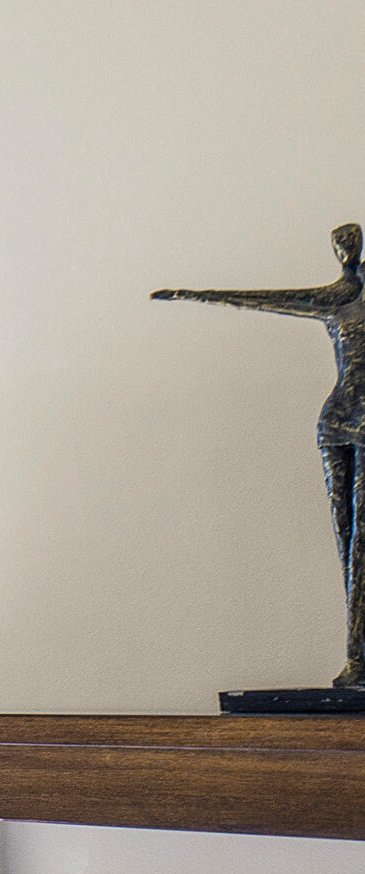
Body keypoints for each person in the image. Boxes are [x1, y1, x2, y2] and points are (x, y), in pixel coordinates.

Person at [155, 223, 365, 686]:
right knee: (346, 538)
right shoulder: (334, 297)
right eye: (341, 244)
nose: (347, 251)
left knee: (361, 540)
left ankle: (357, 660)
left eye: (351, 243)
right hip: (335, 421)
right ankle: (358, 659)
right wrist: (198, 294)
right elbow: (268, 298)